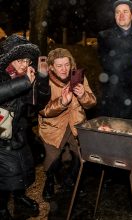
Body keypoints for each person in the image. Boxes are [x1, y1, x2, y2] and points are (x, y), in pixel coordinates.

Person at [0, 34, 51, 219]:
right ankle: (2, 206)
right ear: (10, 60)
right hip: (2, 135)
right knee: (5, 174)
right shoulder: (3, 74)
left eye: (27, 60)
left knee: (23, 168)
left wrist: (43, 79)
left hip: (20, 132)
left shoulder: (27, 76)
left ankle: (20, 196)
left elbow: (39, 103)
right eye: (20, 60)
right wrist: (23, 83)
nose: (24, 64)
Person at [38, 48, 96, 201]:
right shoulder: (44, 81)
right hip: (53, 127)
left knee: (79, 157)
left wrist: (83, 95)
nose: (64, 69)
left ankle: (72, 182)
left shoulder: (79, 77)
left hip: (76, 124)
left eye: (66, 64)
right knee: (53, 159)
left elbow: (92, 103)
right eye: (59, 65)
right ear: (51, 67)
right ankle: (49, 182)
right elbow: (42, 110)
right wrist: (62, 103)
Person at [97, 0, 132, 120]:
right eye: (117, 12)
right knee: (114, 135)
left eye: (125, 11)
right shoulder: (104, 36)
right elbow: (108, 63)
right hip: (113, 97)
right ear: (114, 16)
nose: (121, 15)